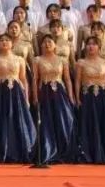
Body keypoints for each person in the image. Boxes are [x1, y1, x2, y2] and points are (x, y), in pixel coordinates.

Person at [0, 34, 35, 163]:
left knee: (18, 119)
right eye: (1, 40)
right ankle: (2, 150)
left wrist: (26, 98)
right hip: (1, 93)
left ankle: (20, 150)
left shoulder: (20, 60)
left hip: (17, 93)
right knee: (1, 120)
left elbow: (23, 79)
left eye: (7, 40)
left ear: (12, 43)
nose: (4, 42)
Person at [74, 37, 105, 164]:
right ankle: (89, 154)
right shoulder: (80, 63)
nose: (91, 47)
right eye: (88, 44)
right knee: (89, 124)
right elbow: (77, 82)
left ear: (99, 48)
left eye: (94, 44)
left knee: (104, 124)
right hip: (87, 97)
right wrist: (77, 98)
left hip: (103, 97)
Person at [32, 35, 76, 164]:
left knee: (62, 120)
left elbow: (67, 79)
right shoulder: (37, 60)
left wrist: (71, 96)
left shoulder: (62, 60)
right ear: (41, 45)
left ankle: (64, 151)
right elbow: (35, 80)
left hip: (60, 93)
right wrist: (35, 97)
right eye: (44, 42)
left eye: (50, 42)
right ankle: (49, 151)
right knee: (46, 121)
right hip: (45, 92)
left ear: (55, 45)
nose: (47, 44)